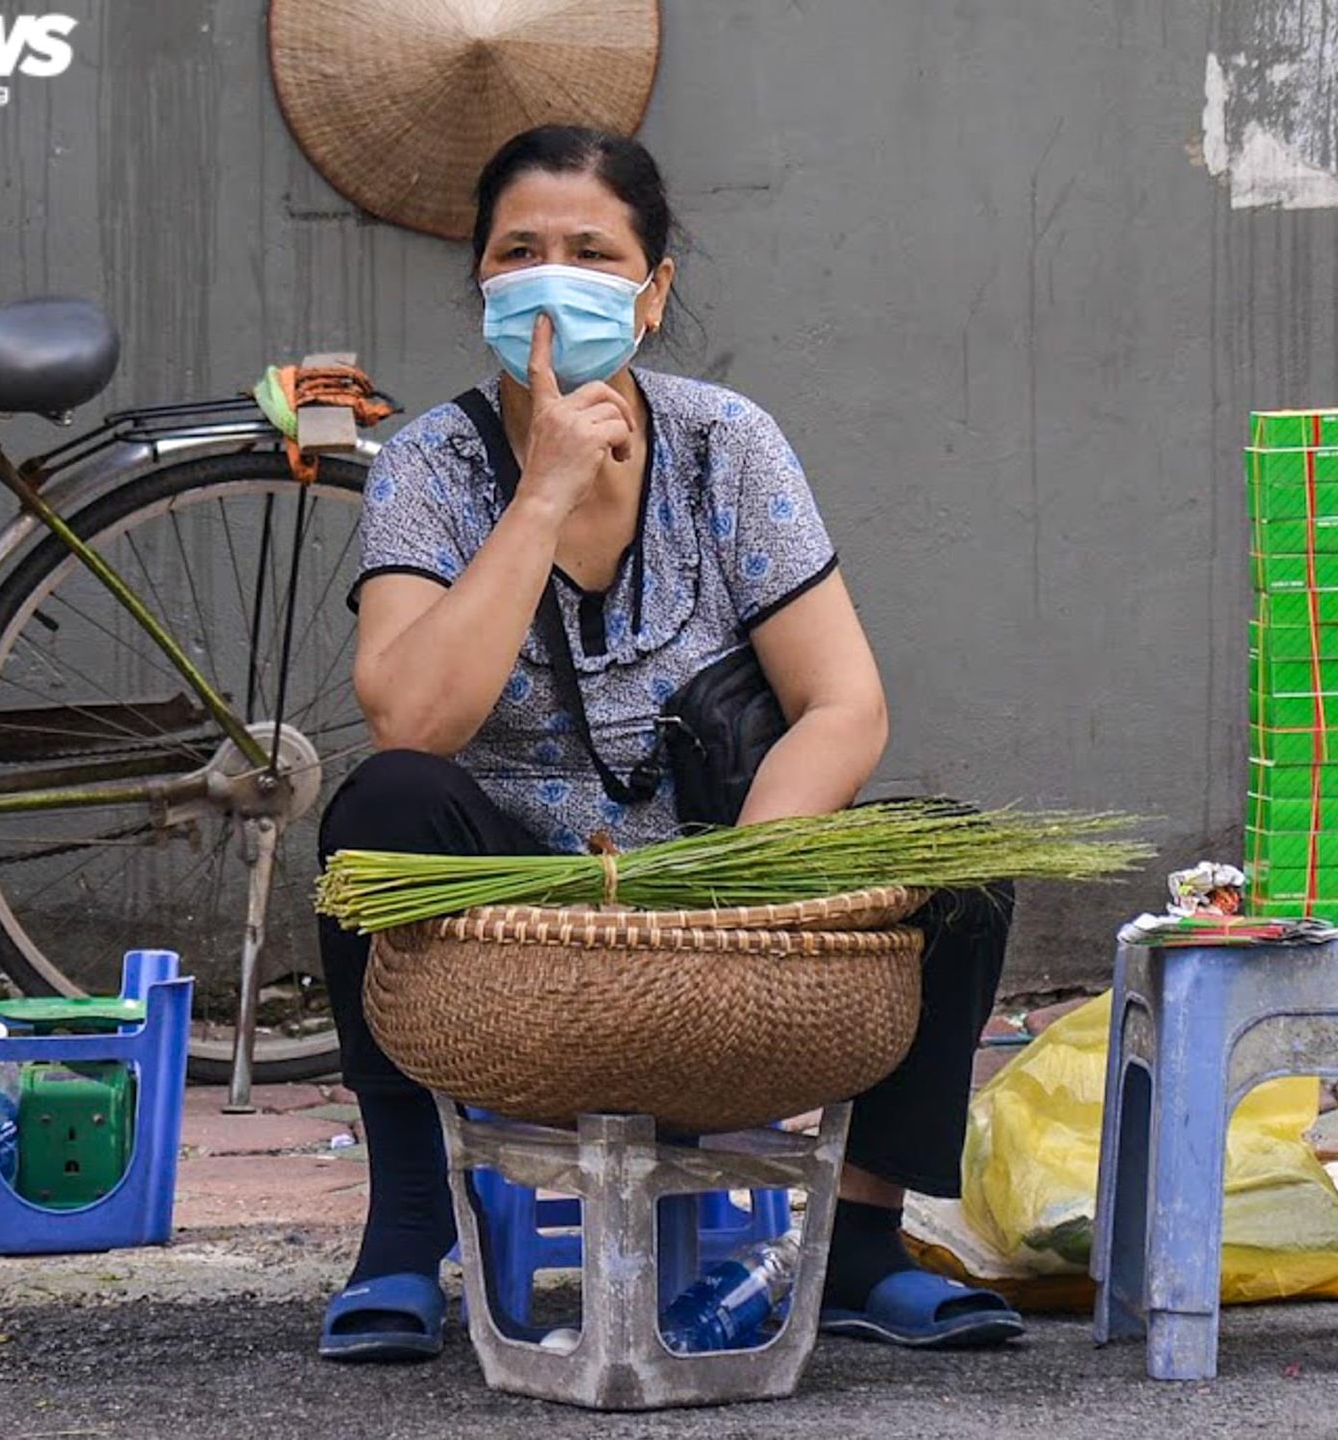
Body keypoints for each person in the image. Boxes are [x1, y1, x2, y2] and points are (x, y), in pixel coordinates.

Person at [316, 124, 1021, 1361]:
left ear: (653, 292)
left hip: (721, 876)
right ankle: (404, 1236)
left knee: (958, 863)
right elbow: (410, 717)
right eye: (519, 251)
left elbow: (844, 703)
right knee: (378, 809)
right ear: (481, 282)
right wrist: (540, 491)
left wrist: (739, 879)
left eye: (592, 252)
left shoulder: (723, 445)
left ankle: (861, 1244)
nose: (552, 276)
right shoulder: (431, 464)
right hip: (515, 898)